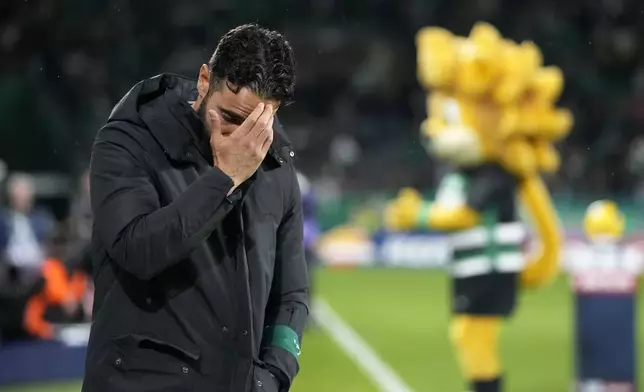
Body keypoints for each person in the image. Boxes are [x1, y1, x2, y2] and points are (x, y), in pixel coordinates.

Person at [82, 24, 309, 392]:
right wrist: (224, 179)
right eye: (231, 117)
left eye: (257, 124)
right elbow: (137, 250)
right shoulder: (130, 140)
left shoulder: (277, 165)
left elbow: (291, 295)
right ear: (205, 80)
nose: (240, 138)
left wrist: (274, 375)